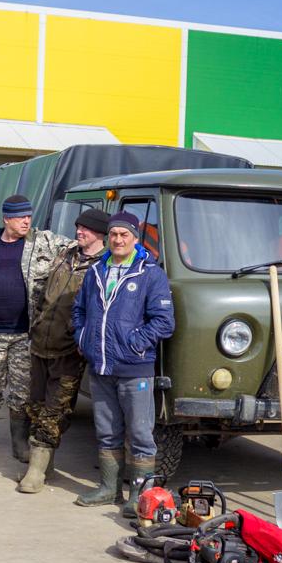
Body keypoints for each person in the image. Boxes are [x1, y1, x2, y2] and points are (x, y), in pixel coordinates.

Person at [72, 211, 175, 514]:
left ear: (134, 238)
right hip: (101, 366)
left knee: (141, 434)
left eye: (124, 235)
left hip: (134, 368)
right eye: (114, 234)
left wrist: (134, 344)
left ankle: (139, 496)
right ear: (108, 237)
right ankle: (109, 489)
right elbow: (79, 311)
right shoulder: (95, 272)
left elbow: (164, 322)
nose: (118, 240)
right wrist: (83, 340)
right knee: (107, 431)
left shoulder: (149, 274)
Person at [0, 194, 70, 463]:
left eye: (29, 216)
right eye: (21, 217)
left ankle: (20, 443)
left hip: (23, 332)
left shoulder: (42, 241)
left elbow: (79, 247)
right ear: (7, 219)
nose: (27, 221)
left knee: (21, 391)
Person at [17, 208, 110, 493]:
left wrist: (84, 341)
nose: (79, 232)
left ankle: (35, 471)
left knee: (55, 411)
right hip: (41, 344)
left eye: (85, 229)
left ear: (99, 234)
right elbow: (43, 292)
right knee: (35, 405)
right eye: (78, 227)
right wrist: (34, 324)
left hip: (70, 352)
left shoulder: (103, 266)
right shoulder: (66, 255)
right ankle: (46, 465)